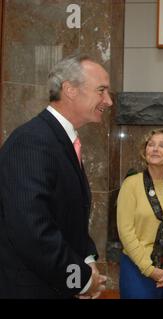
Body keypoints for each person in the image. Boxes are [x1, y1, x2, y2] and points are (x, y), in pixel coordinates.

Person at [0, 54, 111, 298]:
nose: (109, 101)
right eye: (101, 91)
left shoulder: (60, 139)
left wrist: (87, 259)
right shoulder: (32, 142)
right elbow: (33, 232)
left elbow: (69, 217)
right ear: (70, 90)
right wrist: (80, 280)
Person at [117, 129, 163, 299]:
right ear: (145, 151)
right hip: (138, 269)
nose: (155, 149)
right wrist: (150, 270)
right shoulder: (131, 184)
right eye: (151, 145)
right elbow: (125, 231)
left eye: (162, 145)